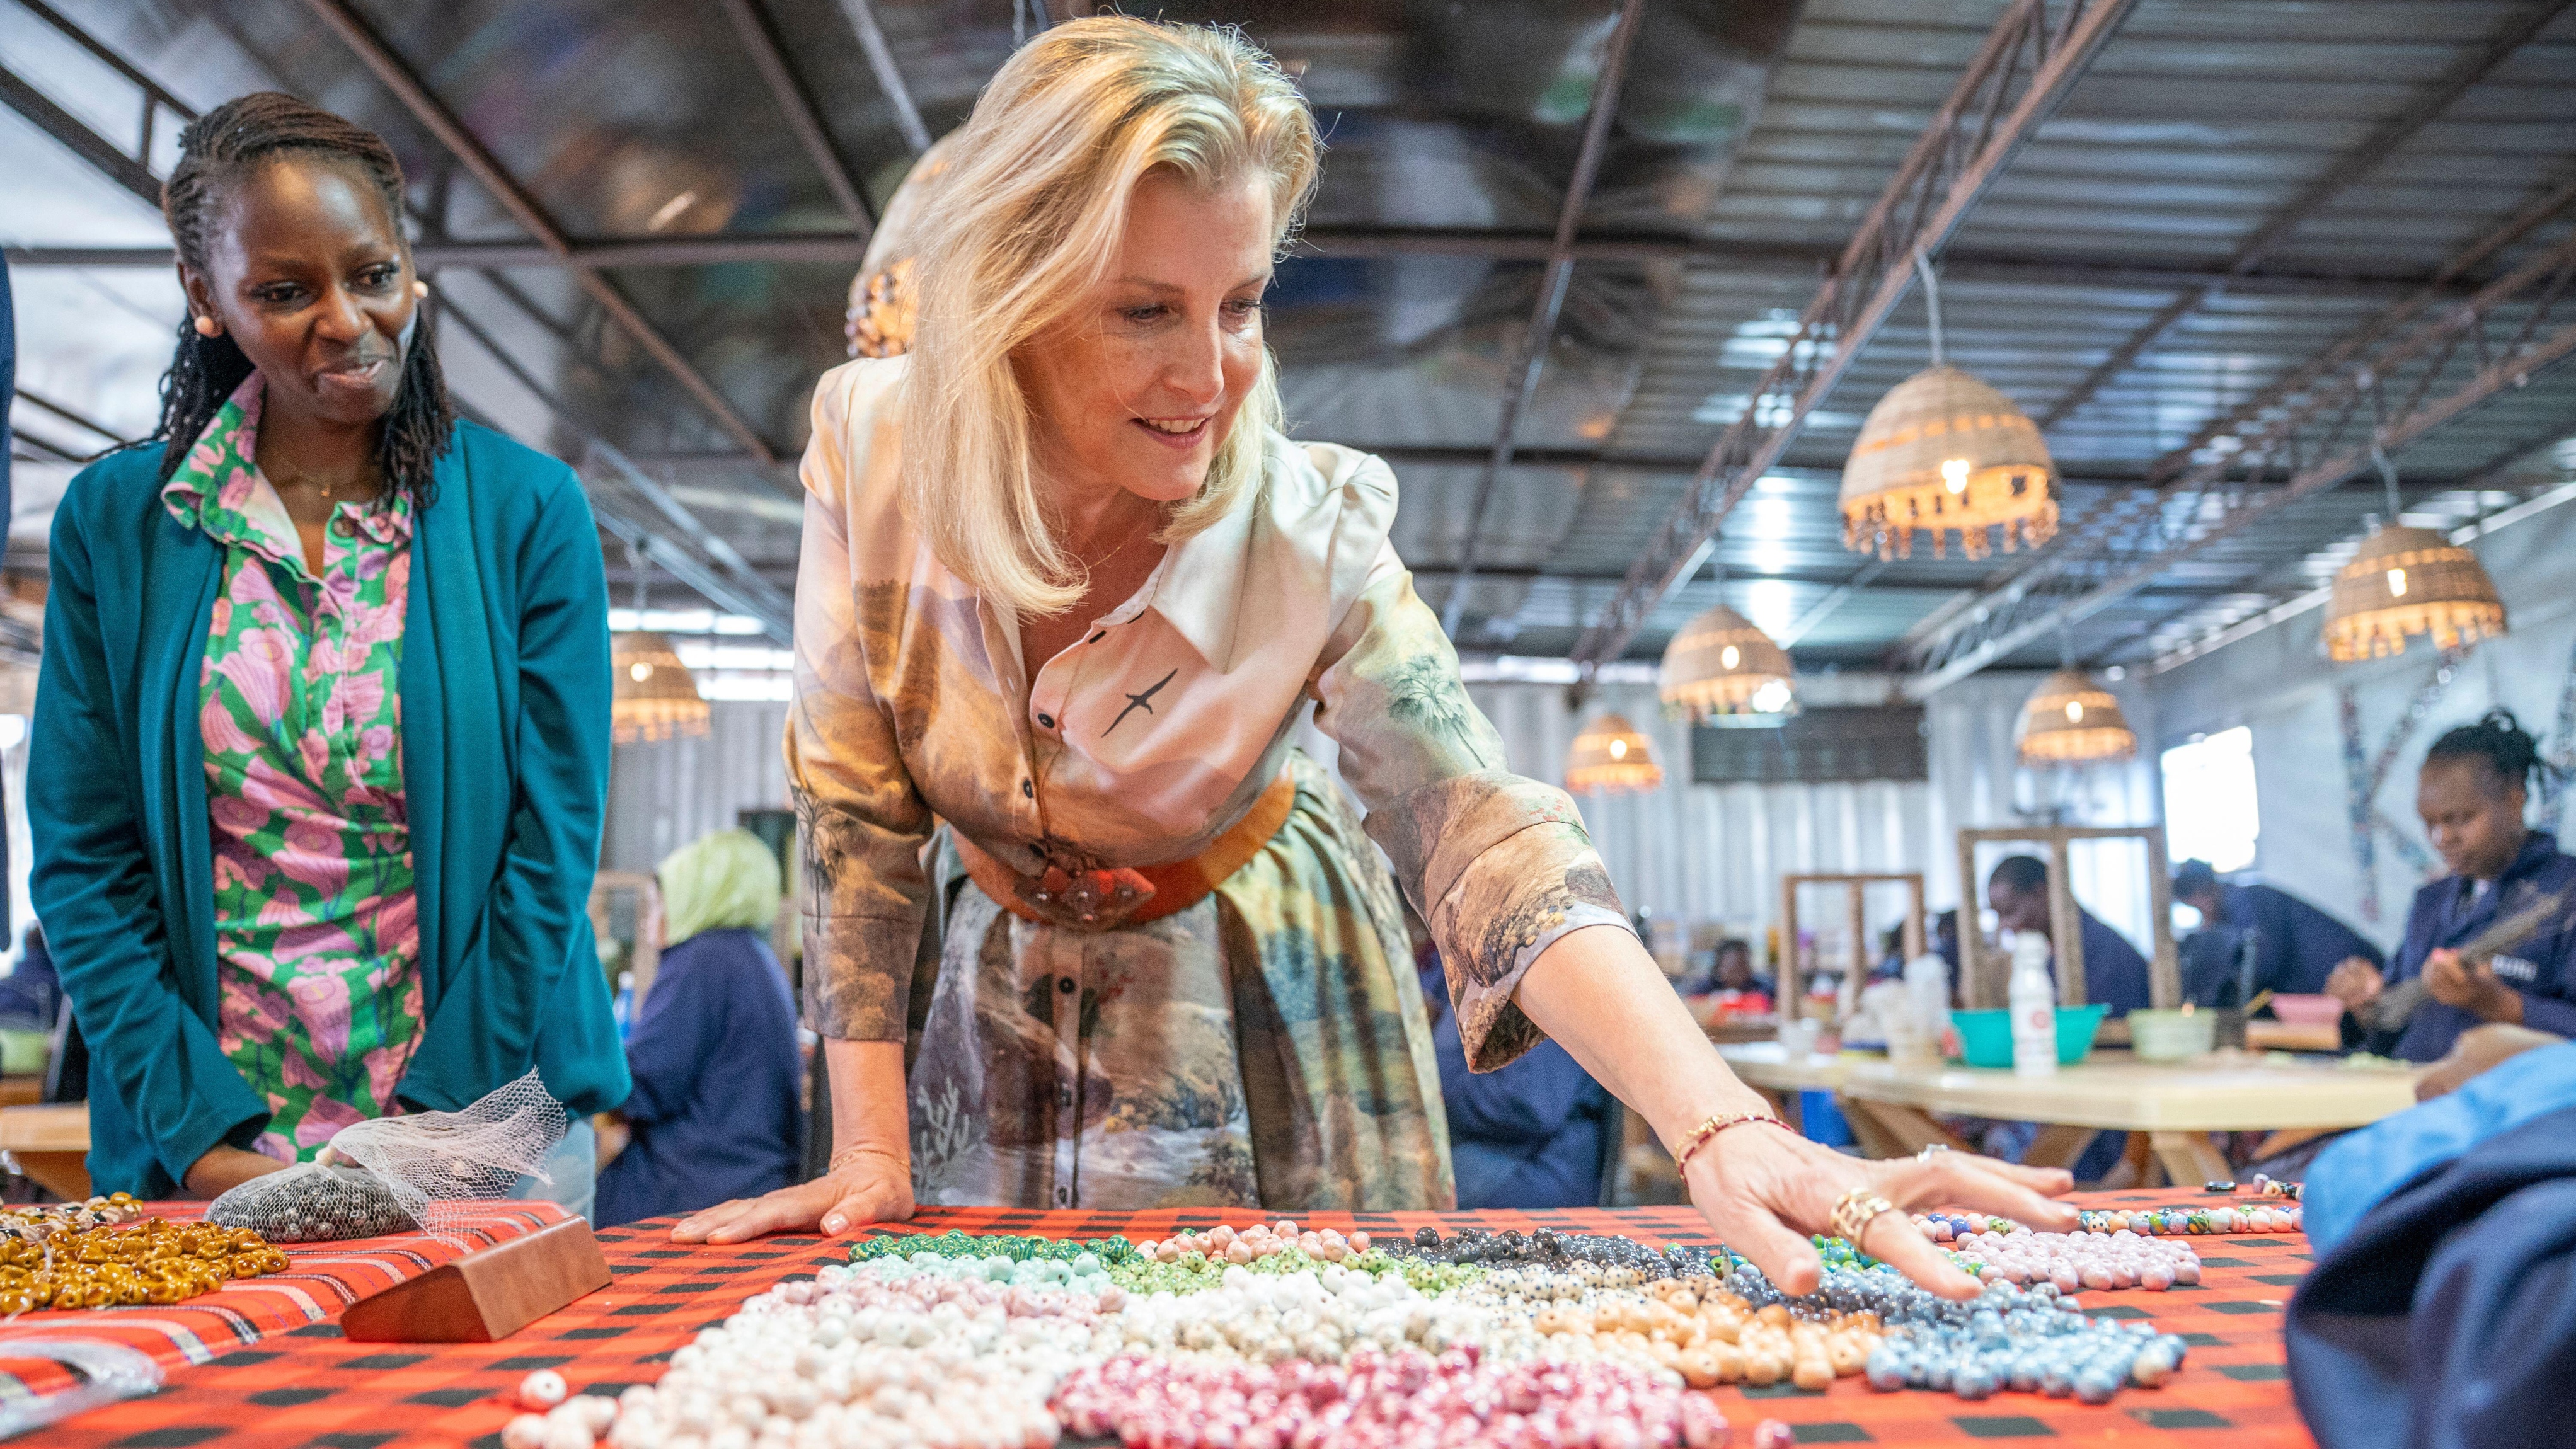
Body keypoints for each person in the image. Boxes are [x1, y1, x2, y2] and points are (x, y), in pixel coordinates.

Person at [672, 18, 2074, 1297]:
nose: (1211, 378)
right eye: (1144, 310)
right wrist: (869, 1151)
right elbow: (855, 806)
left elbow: (1480, 833)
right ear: (1009, 303)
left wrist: (1716, 1121)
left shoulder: (1305, 525)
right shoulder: (871, 444)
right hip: (993, 981)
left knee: (1280, 1345)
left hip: (1252, 961)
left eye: (1239, 303)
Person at [28, 93, 627, 1205]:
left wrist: (436, 1122)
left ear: (413, 270)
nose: (347, 321)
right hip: (213, 1149)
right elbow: (84, 861)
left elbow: (551, 848)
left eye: (374, 274)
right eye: (285, 292)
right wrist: (197, 1130)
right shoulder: (120, 525)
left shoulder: (526, 511)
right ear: (205, 298)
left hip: (484, 1135)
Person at [2325, 710, 2576, 1062]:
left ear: (2514, 799)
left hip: (2508, 1095)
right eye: (2430, 823)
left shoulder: (2565, 896)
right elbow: (2391, 1030)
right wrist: (2366, 1004)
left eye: (2461, 819)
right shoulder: (2431, 903)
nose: (2442, 839)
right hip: (2414, 1088)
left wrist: (2496, 1003)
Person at [596, 831, 803, 1227]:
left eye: (657, 905)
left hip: (698, 1186)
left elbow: (645, 1085)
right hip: (754, 1175)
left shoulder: (701, 960)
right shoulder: (754, 955)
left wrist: (583, 1064)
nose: (647, 923)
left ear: (693, 899)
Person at [1413, 927, 1612, 1210]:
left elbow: (1530, 1105)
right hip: (1482, 1144)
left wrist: (1433, 1094)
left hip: (1531, 1163)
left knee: (1401, 1190)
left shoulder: (1534, 953)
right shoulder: (1459, 954)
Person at [2173, 859, 2383, 1000]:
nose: (2203, 920)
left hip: (2360, 978)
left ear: (2203, 896)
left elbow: (2263, 964)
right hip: (2338, 981)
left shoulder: (2244, 902)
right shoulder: (2241, 902)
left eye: (2197, 909)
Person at [1986, 854, 2153, 1016]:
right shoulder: (2049, 953)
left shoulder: (2104, 953)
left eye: (2009, 911)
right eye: (1998, 915)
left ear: (2042, 893)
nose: (2004, 926)